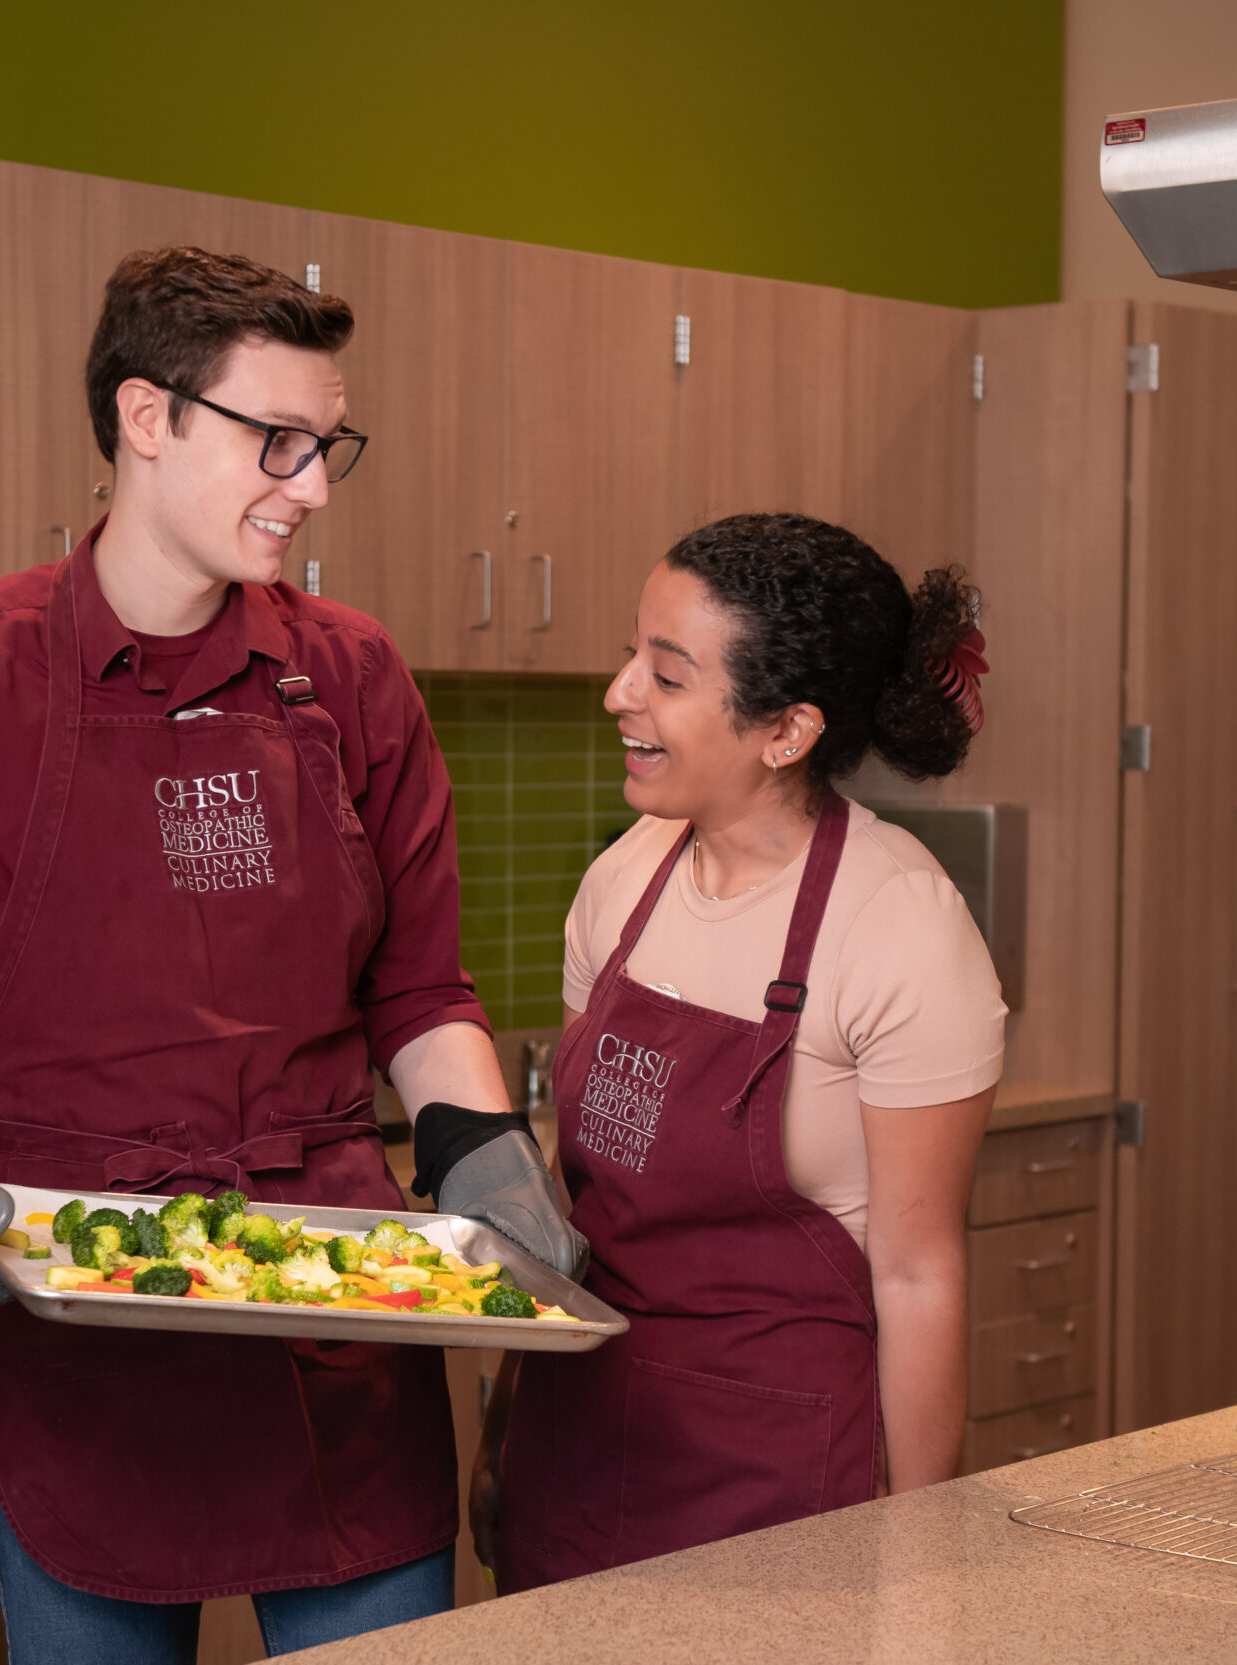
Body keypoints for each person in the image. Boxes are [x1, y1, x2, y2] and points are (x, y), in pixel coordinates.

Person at [0, 247, 585, 1660]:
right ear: (148, 417)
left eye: (329, 449)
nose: (313, 488)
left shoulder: (356, 677)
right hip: (83, 1333)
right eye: (278, 442)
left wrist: (478, 1142)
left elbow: (423, 990)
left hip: (343, 1319)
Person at [480, 512, 1004, 1591]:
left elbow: (916, 1277)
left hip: (776, 1490)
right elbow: (567, 1218)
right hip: (574, 1448)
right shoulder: (622, 881)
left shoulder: (899, 923)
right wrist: (498, 1425)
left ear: (786, 731)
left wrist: (918, 1555)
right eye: (633, 655)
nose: (620, 691)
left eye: (666, 676)